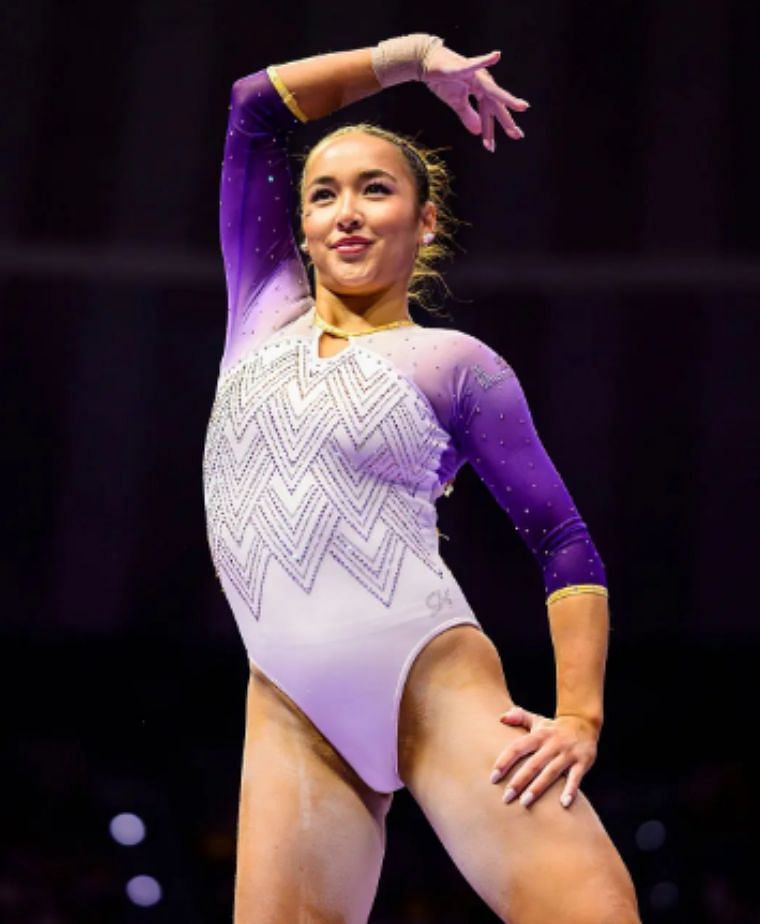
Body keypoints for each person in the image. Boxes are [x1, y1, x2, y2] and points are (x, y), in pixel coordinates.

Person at [202, 36, 639, 920]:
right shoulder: (258, 308)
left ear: (425, 219)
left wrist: (579, 718)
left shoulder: (455, 364)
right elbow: (254, 106)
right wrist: (410, 61)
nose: (347, 212)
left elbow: (563, 541)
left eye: (376, 189)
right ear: (301, 228)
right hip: (288, 702)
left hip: (429, 682)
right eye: (324, 194)